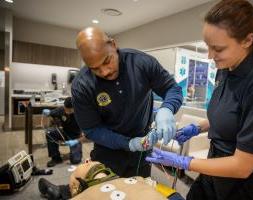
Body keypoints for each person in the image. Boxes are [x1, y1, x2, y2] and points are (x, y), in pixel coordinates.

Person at [146, 0, 253, 200]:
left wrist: (183, 161)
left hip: (249, 185)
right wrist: (195, 128)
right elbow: (230, 116)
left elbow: (242, 166)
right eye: (208, 47)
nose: (210, 56)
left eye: (217, 49)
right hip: (215, 170)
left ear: (247, 40)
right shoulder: (226, 69)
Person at [71, 27, 183, 178]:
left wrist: (167, 109)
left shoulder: (141, 63)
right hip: (107, 149)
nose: (104, 72)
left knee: (139, 189)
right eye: (95, 69)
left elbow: (172, 88)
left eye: (107, 61)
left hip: (143, 147)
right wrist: (128, 143)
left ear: (113, 45)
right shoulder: (82, 85)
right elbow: (91, 129)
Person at [38, 160, 184, 200]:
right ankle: (58, 192)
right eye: (84, 164)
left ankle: (59, 192)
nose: (87, 160)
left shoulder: (137, 179)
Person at [43, 97, 84, 167]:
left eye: (69, 110)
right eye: (65, 109)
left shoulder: (81, 114)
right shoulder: (62, 110)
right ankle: (56, 158)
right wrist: (48, 112)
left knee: (75, 160)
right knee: (50, 133)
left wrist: (76, 141)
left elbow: (88, 135)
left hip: (76, 137)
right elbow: (52, 113)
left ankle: (75, 153)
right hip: (64, 132)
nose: (67, 112)